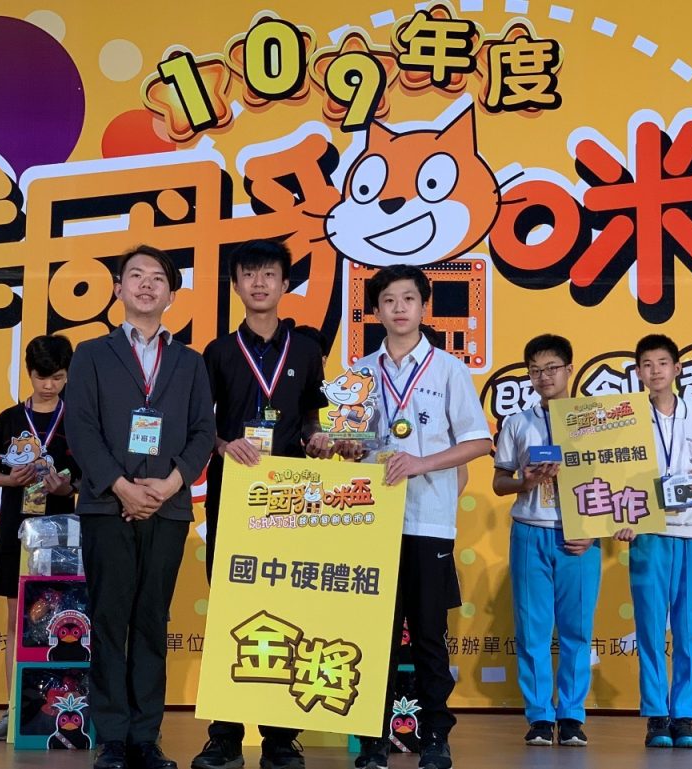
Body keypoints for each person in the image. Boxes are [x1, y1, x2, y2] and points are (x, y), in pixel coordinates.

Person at [66, 245, 216, 769]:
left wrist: (170, 485)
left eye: (158, 278)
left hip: (167, 509)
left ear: (171, 294)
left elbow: (204, 432)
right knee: (109, 620)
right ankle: (112, 738)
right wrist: (121, 487)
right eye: (136, 275)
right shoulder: (91, 353)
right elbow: (80, 427)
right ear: (118, 288)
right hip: (107, 507)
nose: (147, 284)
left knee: (152, 620)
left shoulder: (190, 361)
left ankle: (145, 738)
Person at [193, 240, 335, 769]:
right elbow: (200, 426)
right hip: (233, 494)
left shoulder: (307, 351)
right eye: (249, 274)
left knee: (288, 607)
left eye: (269, 274)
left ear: (284, 283)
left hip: (292, 496)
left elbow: (315, 414)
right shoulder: (217, 352)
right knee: (230, 608)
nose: (259, 283)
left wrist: (317, 438)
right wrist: (223, 445)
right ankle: (225, 735)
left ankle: (280, 736)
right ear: (235, 285)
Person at [352, 264, 492, 769]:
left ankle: (436, 735)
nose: (399, 308)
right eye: (388, 300)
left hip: (429, 521)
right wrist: (341, 446)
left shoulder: (449, 370)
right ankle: (372, 740)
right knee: (376, 637)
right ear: (376, 309)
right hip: (370, 521)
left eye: (408, 298)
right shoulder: (359, 373)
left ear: (423, 306)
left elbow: (479, 441)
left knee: (430, 635)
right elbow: (350, 443)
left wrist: (421, 462)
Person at [492, 334, 600, 748]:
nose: (544, 377)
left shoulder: (595, 421)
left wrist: (594, 530)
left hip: (580, 537)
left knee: (577, 629)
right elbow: (500, 481)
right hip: (530, 531)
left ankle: (571, 716)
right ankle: (539, 716)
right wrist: (525, 481)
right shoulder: (518, 423)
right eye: (535, 370)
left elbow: (617, 483)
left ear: (570, 369)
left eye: (552, 368)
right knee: (533, 630)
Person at [612, 335, 692, 749]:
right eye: (646, 364)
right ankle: (657, 715)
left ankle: (685, 716)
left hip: (691, 529)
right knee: (651, 625)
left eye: (662, 363)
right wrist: (622, 519)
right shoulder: (627, 418)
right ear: (638, 371)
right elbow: (616, 474)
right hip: (647, 530)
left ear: (677, 368)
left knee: (689, 627)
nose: (654, 371)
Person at [0, 334, 79, 742]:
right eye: (41, 377)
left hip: (62, 535)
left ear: (67, 375)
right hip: (16, 533)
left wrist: (64, 486)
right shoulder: (9, 418)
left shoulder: (77, 418)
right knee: (16, 620)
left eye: (58, 377)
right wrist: (12, 479)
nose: (49, 385)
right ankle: (14, 708)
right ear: (29, 373)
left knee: (64, 620)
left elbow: (85, 478)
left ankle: (67, 706)